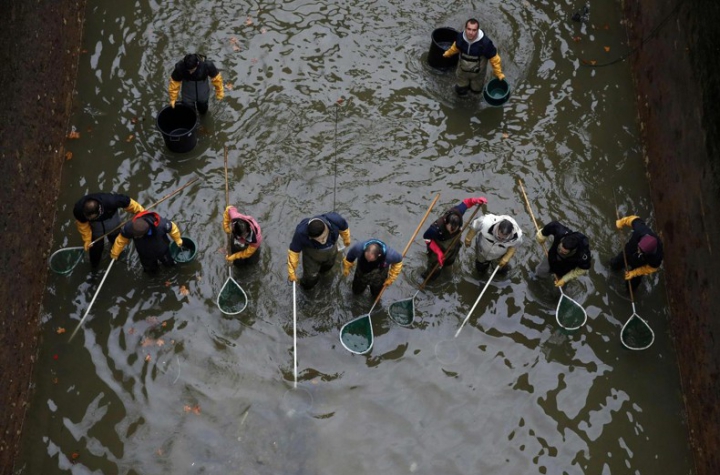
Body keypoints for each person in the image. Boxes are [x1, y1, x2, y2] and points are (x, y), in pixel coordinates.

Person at [422, 197, 488, 280]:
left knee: (450, 262)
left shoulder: (458, 212)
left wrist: (476, 200)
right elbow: (426, 238)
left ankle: (447, 269)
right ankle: (427, 279)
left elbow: (466, 203)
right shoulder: (435, 228)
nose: (451, 232)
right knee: (434, 270)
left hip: (453, 246)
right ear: (446, 223)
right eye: (450, 229)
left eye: (455, 230)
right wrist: (438, 252)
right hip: (438, 246)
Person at [73, 193, 145, 268]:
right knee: (95, 249)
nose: (89, 220)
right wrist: (87, 239)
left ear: (99, 211)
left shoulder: (111, 201)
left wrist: (142, 214)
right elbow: (83, 225)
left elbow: (130, 203)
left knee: (115, 240)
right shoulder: (79, 210)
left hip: (112, 223)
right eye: (88, 218)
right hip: (96, 228)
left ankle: (118, 257)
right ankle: (94, 267)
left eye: (92, 218)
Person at [442, 18, 505, 96]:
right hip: (462, 72)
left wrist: (498, 73)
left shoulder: (485, 43)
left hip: (478, 75)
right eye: (469, 29)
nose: (471, 33)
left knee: (476, 92)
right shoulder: (460, 38)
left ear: (478, 30)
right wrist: (448, 53)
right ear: (465, 28)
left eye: (474, 30)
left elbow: (494, 58)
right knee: (460, 90)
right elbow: (455, 47)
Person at [287, 213, 351, 289]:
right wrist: (292, 270)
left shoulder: (335, 220)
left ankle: (324, 277)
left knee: (328, 268)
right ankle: (306, 287)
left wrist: (346, 239)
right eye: (318, 240)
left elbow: (344, 228)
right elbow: (294, 252)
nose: (322, 241)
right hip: (312, 256)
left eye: (323, 237)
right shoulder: (301, 233)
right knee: (310, 278)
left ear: (326, 228)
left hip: (331, 250)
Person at [110, 211, 183, 273]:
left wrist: (178, 240)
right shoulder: (130, 228)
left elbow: (173, 228)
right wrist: (115, 253)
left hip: (163, 251)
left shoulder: (161, 225)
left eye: (138, 236)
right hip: (145, 255)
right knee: (151, 270)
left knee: (170, 265)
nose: (136, 237)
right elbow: (121, 240)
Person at [610, 215, 663, 290]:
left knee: (632, 286)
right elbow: (634, 219)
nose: (638, 251)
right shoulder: (641, 230)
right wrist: (622, 221)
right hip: (628, 252)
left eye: (641, 251)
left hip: (640, 264)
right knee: (614, 264)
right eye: (639, 248)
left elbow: (652, 268)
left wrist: (634, 273)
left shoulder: (656, 256)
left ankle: (630, 290)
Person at [535, 221, 591, 286]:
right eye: (560, 249)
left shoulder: (583, 255)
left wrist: (565, 279)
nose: (560, 252)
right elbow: (552, 225)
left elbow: (582, 269)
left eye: (564, 252)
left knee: (560, 286)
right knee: (540, 272)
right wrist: (541, 236)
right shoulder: (561, 232)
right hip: (551, 257)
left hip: (565, 269)